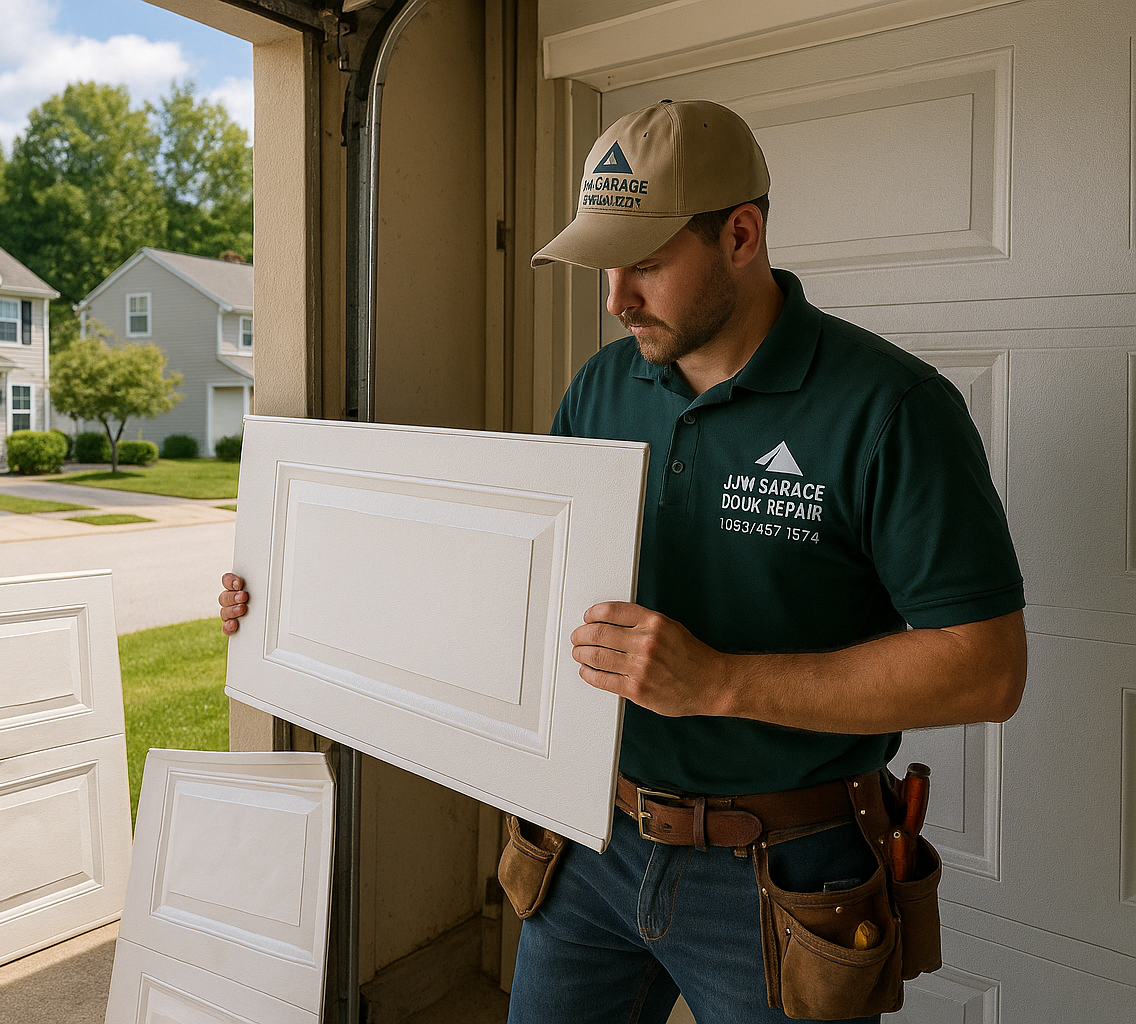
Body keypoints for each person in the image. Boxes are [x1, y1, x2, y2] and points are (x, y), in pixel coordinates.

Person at [218, 99, 1026, 1023]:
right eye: (605, 266)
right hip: (593, 846)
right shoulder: (602, 385)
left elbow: (987, 670)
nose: (615, 299)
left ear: (741, 234)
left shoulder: (891, 409)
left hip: (787, 876)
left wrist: (718, 682)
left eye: (645, 264)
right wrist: (292, 591)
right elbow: (521, 593)